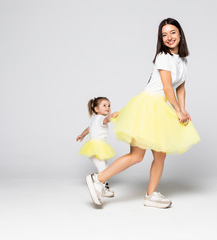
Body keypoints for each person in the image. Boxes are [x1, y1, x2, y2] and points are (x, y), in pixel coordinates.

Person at [86, 18, 200, 208]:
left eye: (172, 32)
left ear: (180, 34)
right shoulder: (163, 57)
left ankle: (151, 194)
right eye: (164, 34)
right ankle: (98, 179)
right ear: (160, 39)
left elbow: (180, 88)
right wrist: (178, 111)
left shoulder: (182, 60)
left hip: (161, 107)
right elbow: (167, 88)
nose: (169, 37)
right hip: (149, 105)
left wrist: (184, 108)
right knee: (137, 156)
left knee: (160, 155)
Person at [76, 97, 118, 197]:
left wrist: (82, 135)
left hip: (99, 147)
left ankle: (104, 186)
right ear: (96, 109)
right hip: (95, 147)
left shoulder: (94, 118)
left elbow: (88, 129)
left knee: (105, 168)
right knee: (103, 169)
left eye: (109, 106)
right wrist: (112, 115)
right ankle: (99, 186)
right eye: (104, 105)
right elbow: (107, 119)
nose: (107, 107)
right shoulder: (100, 119)